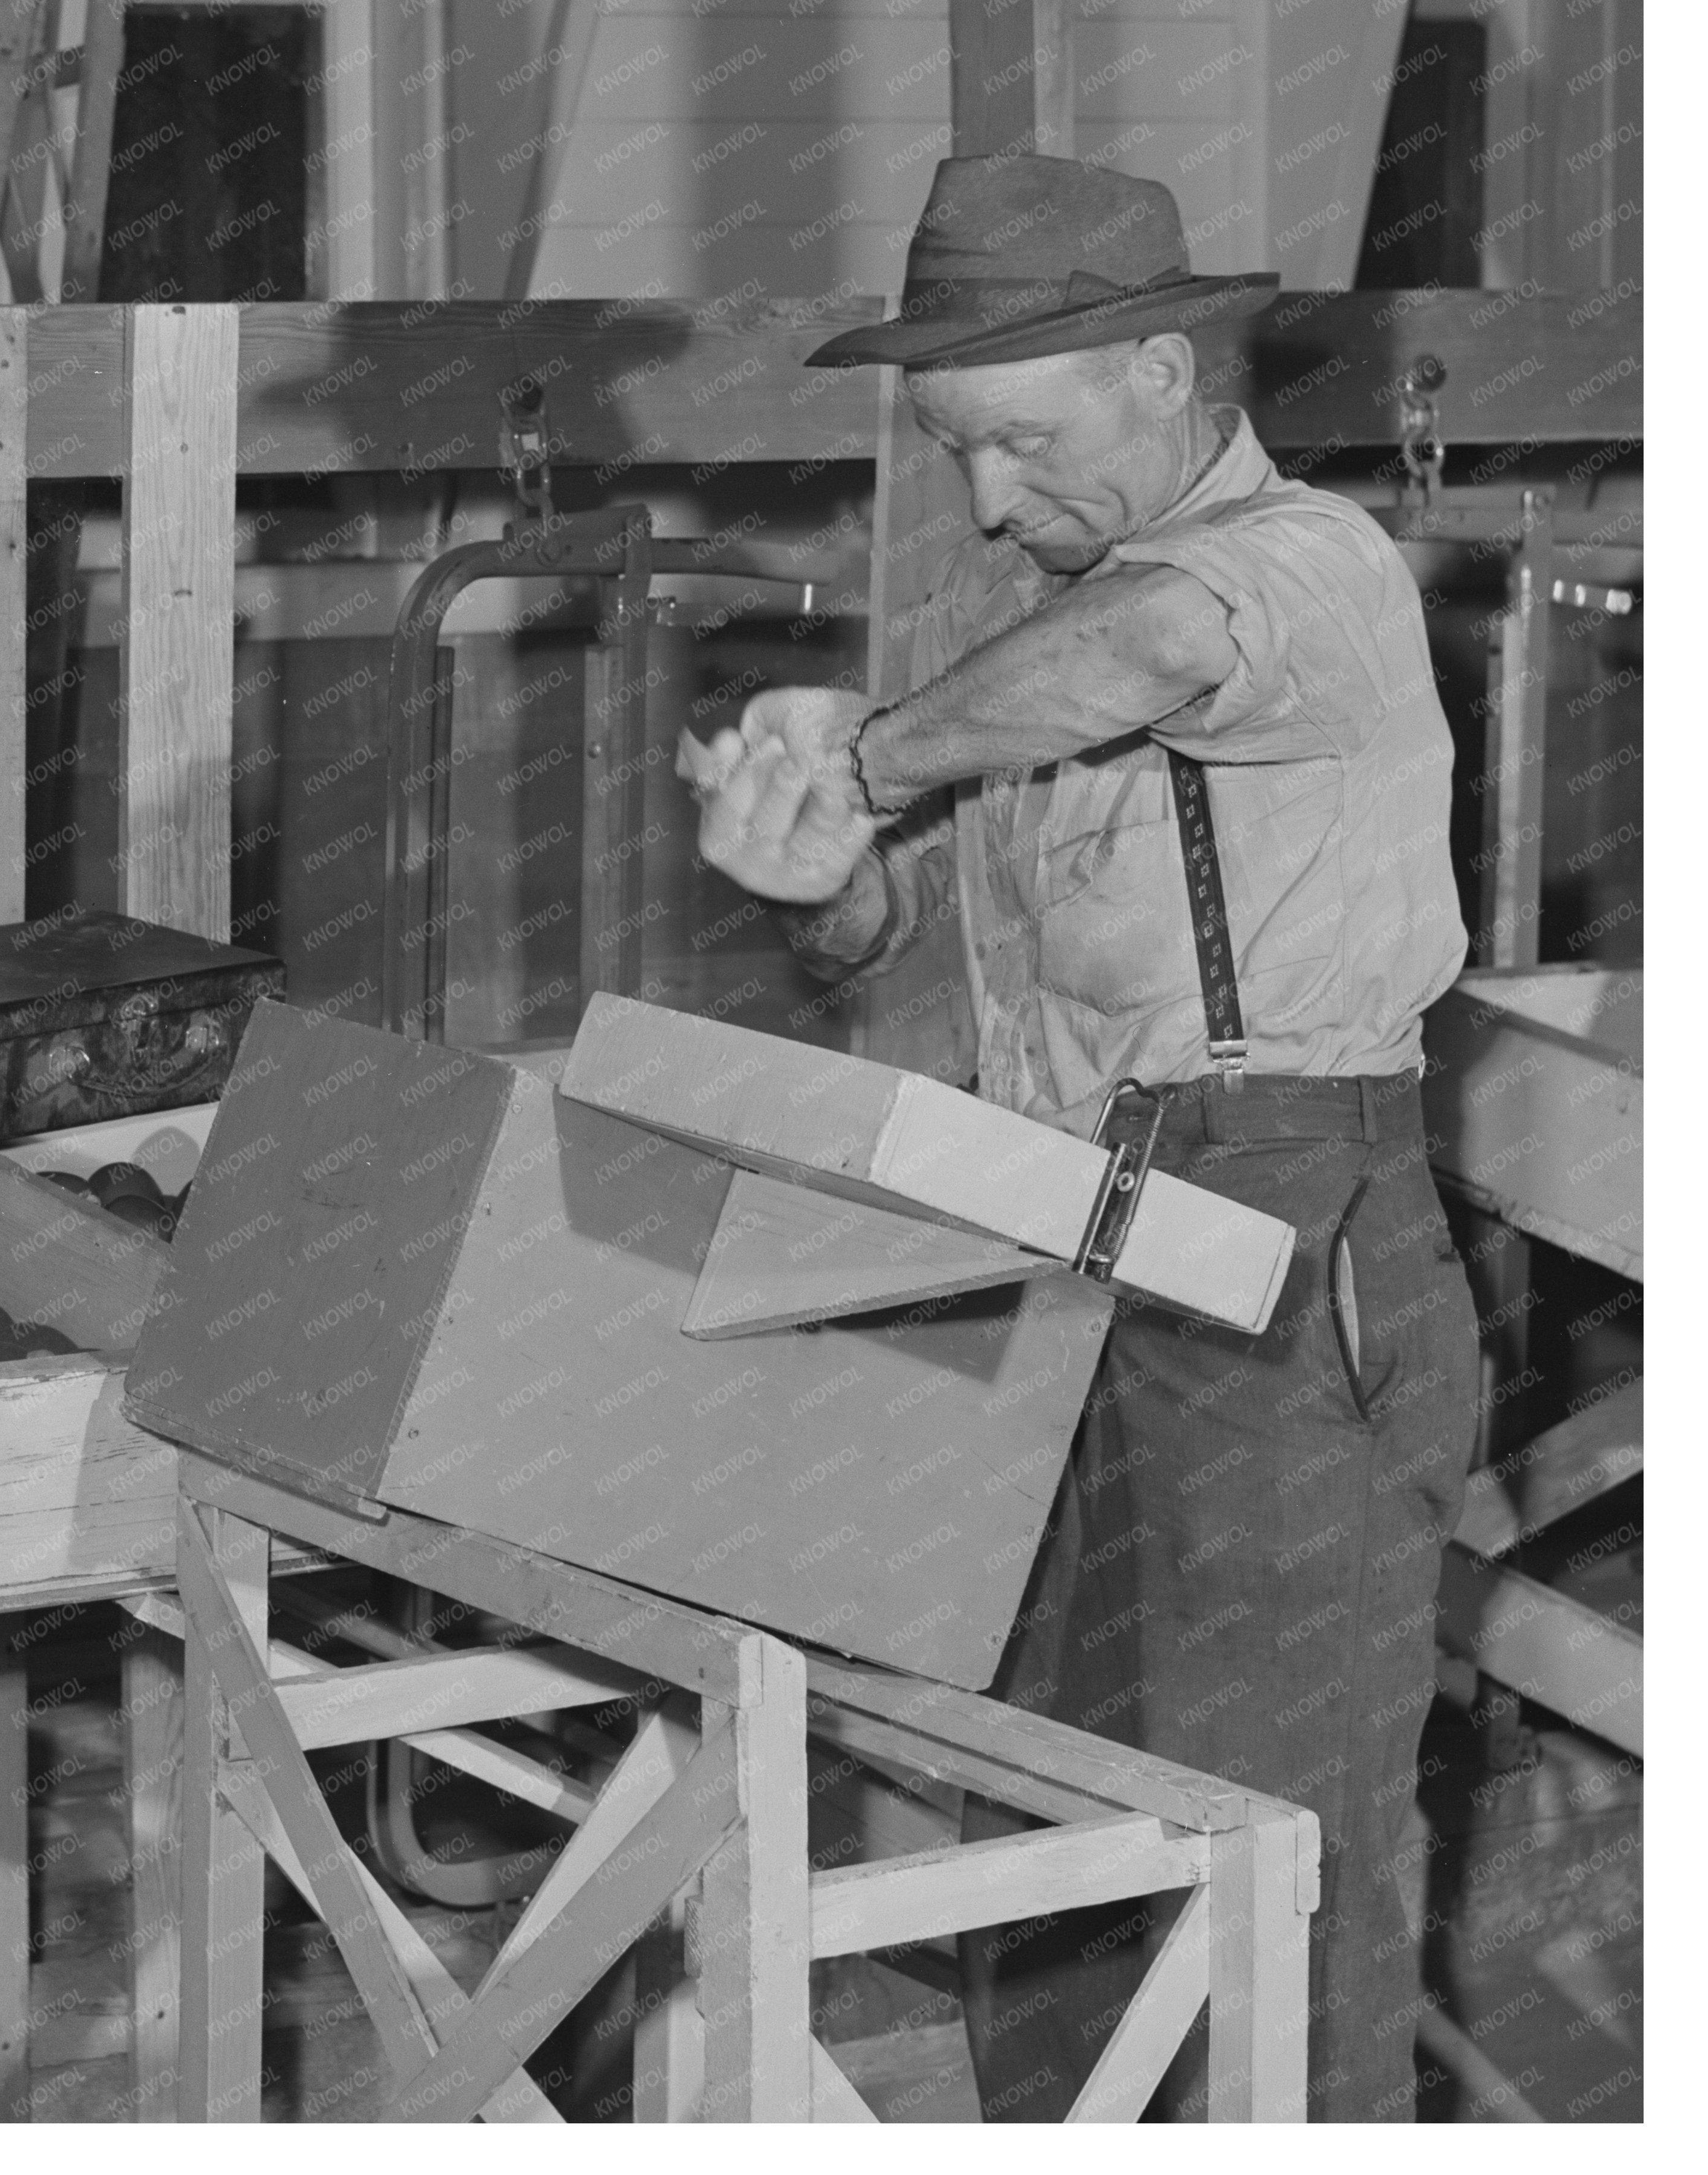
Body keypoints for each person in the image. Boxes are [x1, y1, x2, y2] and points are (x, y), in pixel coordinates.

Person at [681, 156, 1478, 2121]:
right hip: (1048, 1235)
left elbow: (1153, 657)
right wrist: (814, 866)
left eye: (1016, 444)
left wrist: (870, 752)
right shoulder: (1006, 618)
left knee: (1281, 1807)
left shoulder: (1305, 567)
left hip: (1280, 1243)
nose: (981, 501)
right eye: (952, 451)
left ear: (1162, 367)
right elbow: (896, 953)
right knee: (1042, 1769)